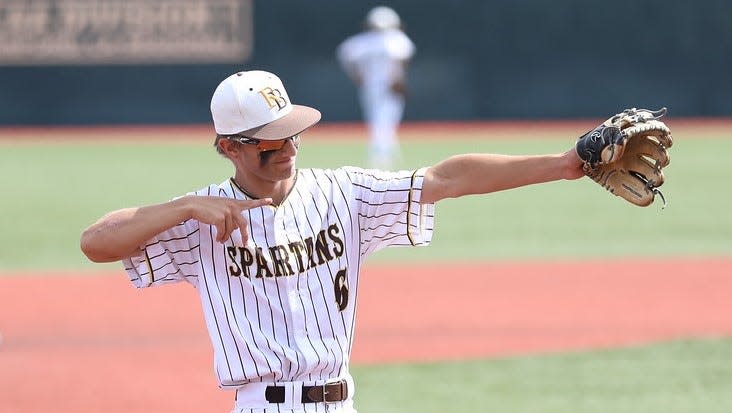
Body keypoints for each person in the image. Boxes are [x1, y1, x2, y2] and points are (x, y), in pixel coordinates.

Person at [80, 69, 585, 413]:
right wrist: (182, 208)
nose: (289, 146)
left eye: (293, 132)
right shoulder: (202, 218)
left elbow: (447, 178)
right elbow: (96, 242)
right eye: (272, 139)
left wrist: (564, 165)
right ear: (230, 147)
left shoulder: (344, 193)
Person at [336, 6, 416, 169]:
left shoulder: (363, 41)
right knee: (385, 120)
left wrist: (357, 75)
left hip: (370, 87)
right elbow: (402, 59)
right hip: (389, 86)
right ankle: (380, 157)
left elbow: (344, 54)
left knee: (377, 120)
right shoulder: (396, 39)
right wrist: (399, 79)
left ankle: (389, 153)